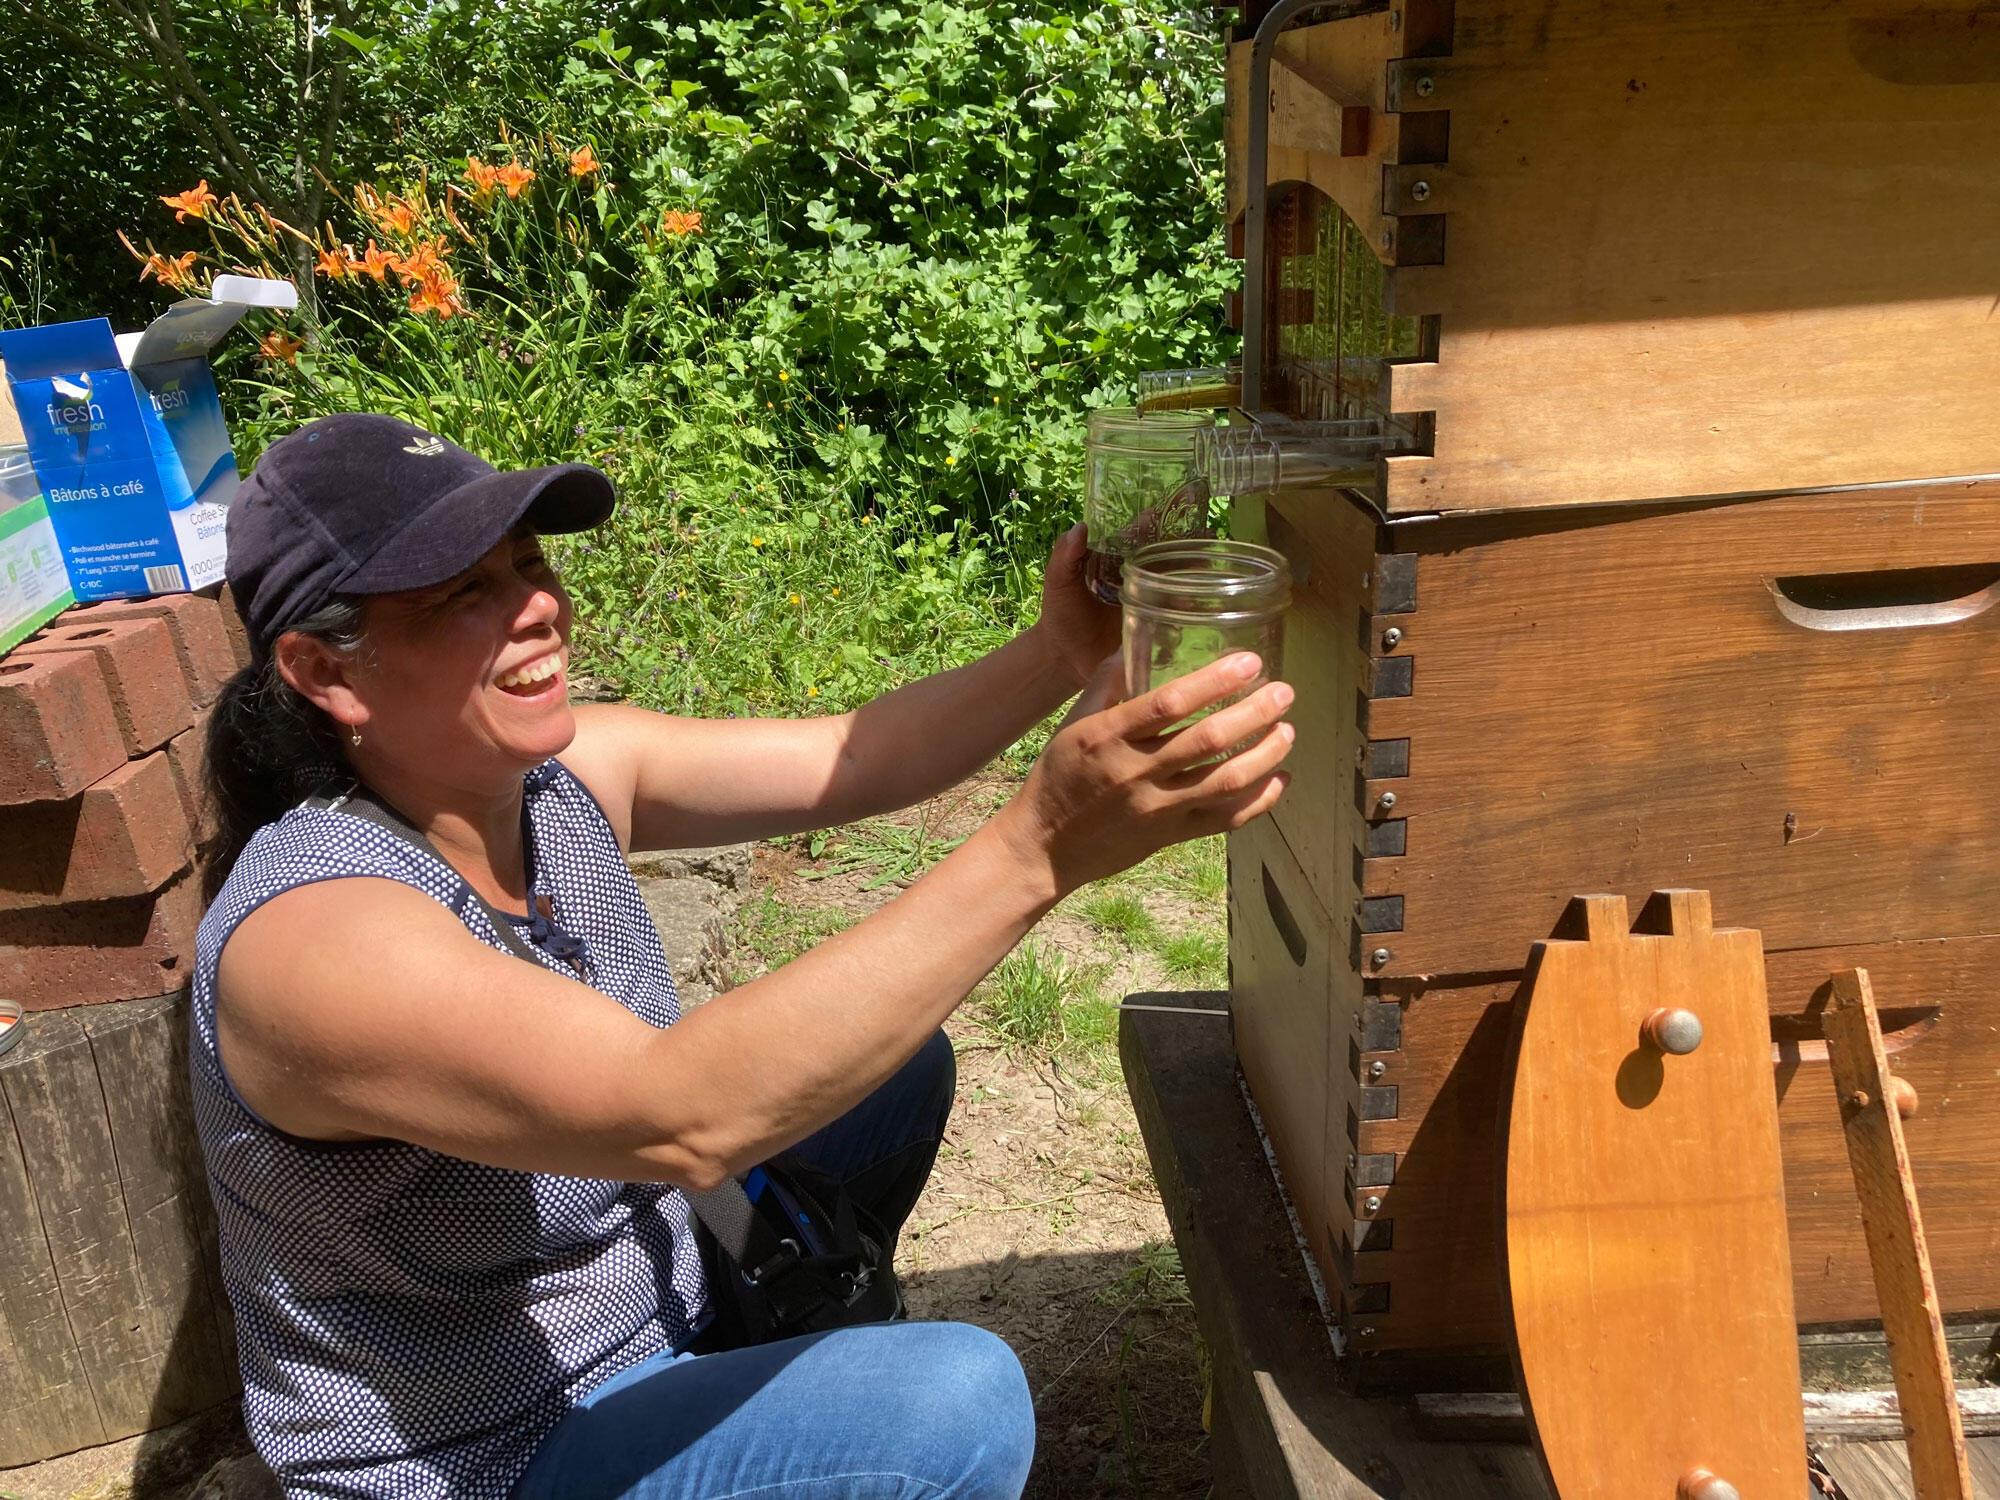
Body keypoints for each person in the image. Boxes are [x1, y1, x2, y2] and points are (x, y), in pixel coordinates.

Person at [191, 412, 1295, 1500]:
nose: (535, 608)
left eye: (527, 564)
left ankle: (767, 1373)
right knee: (947, 1406)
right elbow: (678, 1113)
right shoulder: (317, 940)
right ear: (322, 670)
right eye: (458, 596)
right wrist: (1039, 847)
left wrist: (1063, 650)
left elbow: (852, 759)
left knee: (894, 1075)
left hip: (654, 1311)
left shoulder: (554, 783)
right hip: (496, 1458)